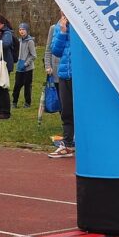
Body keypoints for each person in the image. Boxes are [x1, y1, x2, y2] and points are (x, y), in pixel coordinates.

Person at [48, 15, 75, 158]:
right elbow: (56, 51)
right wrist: (63, 32)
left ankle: (87, 143)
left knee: (83, 112)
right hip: (64, 74)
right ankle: (68, 144)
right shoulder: (60, 26)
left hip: (81, 77)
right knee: (66, 111)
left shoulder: (82, 23)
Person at [11, 23, 36, 108]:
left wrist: (26, 63)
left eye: (23, 29)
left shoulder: (30, 41)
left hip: (28, 68)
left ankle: (27, 103)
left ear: (27, 30)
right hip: (19, 67)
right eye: (20, 29)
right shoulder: (19, 41)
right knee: (17, 85)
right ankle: (14, 102)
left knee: (27, 86)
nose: (21, 31)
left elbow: (33, 55)